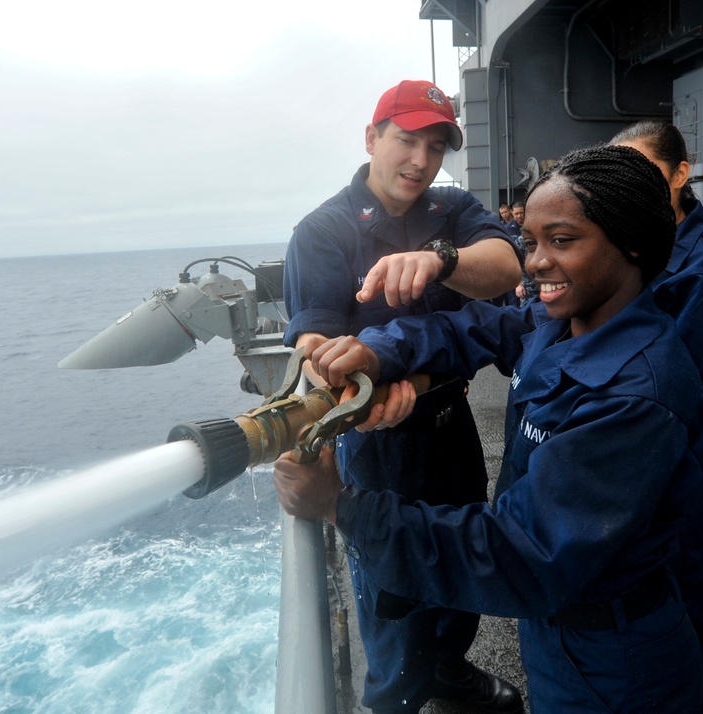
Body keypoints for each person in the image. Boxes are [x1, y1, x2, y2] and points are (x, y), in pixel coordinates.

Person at [275, 145, 703, 713]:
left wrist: (340, 506)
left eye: (561, 241)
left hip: (614, 659)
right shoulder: (565, 322)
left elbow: (521, 552)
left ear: (631, 242)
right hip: (563, 631)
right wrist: (376, 354)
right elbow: (473, 327)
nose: (534, 263)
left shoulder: (632, 396)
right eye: (530, 242)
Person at [281, 79, 523, 714]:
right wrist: (366, 386)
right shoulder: (324, 231)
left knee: (466, 549)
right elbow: (315, 342)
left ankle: (447, 668)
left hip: (451, 422)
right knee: (392, 591)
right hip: (378, 440)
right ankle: (393, 700)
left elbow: (505, 263)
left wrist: (439, 260)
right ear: (372, 137)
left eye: (436, 145)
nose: (421, 159)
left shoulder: (451, 209)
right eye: (406, 139)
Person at [610, 121, 703, 714]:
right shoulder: (630, 244)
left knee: (684, 598)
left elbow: (687, 395)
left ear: (679, 175)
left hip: (679, 459)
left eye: (644, 172)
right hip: (626, 455)